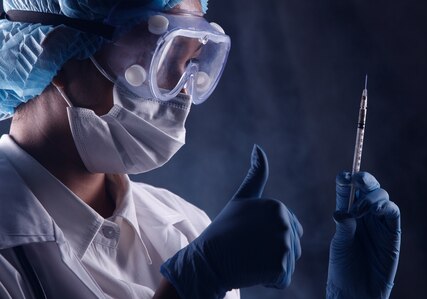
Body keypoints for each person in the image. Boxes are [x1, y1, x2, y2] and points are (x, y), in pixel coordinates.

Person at [0, 0, 401, 298]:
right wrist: (191, 287)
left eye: (194, 60)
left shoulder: (187, 228)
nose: (182, 92)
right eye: (164, 58)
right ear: (57, 53)